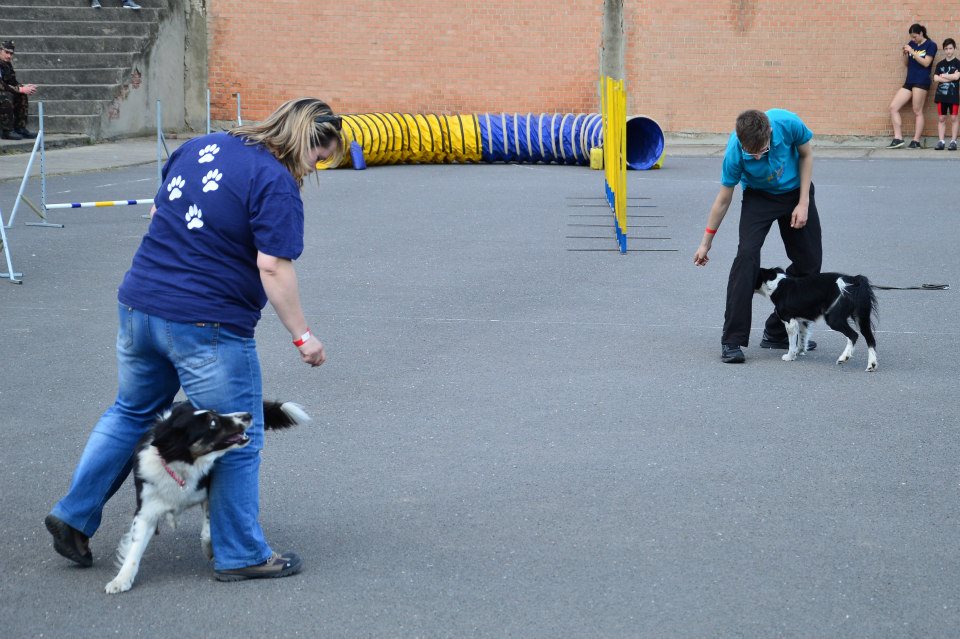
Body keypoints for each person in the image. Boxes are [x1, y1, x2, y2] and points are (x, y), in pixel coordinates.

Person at [44, 97, 344, 581]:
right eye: (322, 155)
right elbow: (272, 264)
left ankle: (73, 516)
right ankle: (242, 553)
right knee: (239, 437)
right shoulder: (276, 181)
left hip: (140, 303)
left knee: (129, 412)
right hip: (207, 322)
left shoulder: (202, 146)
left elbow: (160, 213)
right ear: (308, 139)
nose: (319, 166)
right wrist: (302, 335)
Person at [693, 109, 822, 364]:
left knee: (810, 265)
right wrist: (705, 243)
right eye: (750, 153)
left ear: (770, 134)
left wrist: (803, 202)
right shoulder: (734, 151)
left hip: (795, 193)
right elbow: (723, 199)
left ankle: (776, 330)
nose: (755, 156)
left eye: (760, 151)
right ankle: (731, 341)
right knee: (746, 258)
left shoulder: (788, 123)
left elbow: (806, 155)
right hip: (759, 198)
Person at [888, 23, 937, 149]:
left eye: (915, 37)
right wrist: (905, 53)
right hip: (909, 80)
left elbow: (926, 63)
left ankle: (916, 141)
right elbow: (906, 64)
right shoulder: (911, 44)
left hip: (921, 81)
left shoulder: (931, 45)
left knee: (917, 110)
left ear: (921, 33)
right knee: (893, 107)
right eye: (912, 37)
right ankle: (898, 138)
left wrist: (913, 52)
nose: (913, 39)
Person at [0, 40, 38, 141]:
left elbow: (12, 82)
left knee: (21, 95)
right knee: (6, 96)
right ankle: (6, 131)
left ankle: (20, 128)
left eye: (11, 53)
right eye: (6, 52)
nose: (9, 56)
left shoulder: (6, 64)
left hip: (4, 90)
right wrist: (20, 89)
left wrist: (23, 87)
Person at [932, 38, 960, 150]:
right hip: (941, 95)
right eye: (946, 49)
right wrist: (951, 77)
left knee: (954, 118)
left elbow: (957, 77)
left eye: (950, 48)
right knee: (942, 118)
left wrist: (942, 76)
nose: (948, 51)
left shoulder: (958, 63)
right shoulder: (940, 64)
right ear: (944, 50)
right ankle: (941, 141)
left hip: (953, 95)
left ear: (954, 49)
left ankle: (953, 141)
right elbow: (935, 78)